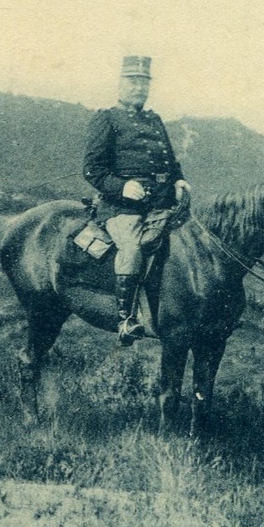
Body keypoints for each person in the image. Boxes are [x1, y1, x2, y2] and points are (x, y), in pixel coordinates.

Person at [82, 55, 190, 345]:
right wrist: (122, 187)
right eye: (132, 81)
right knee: (131, 249)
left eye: (144, 82)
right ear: (119, 84)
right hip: (122, 208)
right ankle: (126, 319)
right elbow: (93, 170)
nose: (139, 87)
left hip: (161, 205)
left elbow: (169, 158)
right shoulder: (106, 119)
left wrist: (178, 179)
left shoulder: (154, 120)